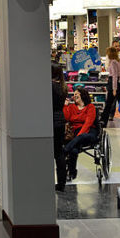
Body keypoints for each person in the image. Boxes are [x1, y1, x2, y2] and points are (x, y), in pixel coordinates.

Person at [63, 88, 97, 181]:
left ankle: (66, 149)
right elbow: (66, 118)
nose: (74, 96)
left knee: (83, 136)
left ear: (83, 95)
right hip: (75, 133)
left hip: (89, 131)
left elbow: (88, 123)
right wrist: (65, 106)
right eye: (74, 94)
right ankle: (72, 172)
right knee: (73, 150)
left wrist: (79, 136)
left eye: (76, 93)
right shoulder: (71, 107)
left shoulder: (90, 107)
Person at [51, 63, 68, 192]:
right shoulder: (63, 87)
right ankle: (62, 182)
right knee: (59, 153)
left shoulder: (49, 86)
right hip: (60, 120)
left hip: (49, 120)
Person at [101, 47, 120, 125]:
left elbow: (114, 76)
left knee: (108, 104)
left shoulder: (113, 62)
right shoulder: (118, 61)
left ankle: (103, 121)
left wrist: (114, 89)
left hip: (114, 84)